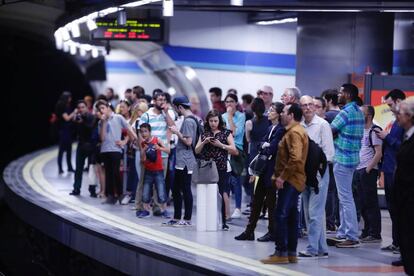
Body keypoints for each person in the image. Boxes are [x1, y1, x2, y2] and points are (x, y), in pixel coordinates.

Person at [261, 103, 308, 265]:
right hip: (294, 179)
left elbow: (295, 158)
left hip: (290, 180)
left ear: (292, 115)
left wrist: (282, 177)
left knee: (280, 214)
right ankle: (291, 252)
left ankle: (280, 252)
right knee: (292, 216)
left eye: (285, 112)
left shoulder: (294, 133)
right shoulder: (295, 131)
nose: (282, 114)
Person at [235, 102, 285, 242]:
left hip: (272, 170)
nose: (269, 112)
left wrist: (266, 146)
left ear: (279, 114)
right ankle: (249, 231)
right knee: (256, 200)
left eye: (272, 110)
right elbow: (260, 146)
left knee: (271, 203)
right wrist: (265, 145)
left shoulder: (280, 129)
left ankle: (272, 231)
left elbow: (272, 148)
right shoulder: (270, 128)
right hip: (263, 169)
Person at [298, 96, 334, 259]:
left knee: (314, 212)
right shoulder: (299, 125)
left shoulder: (322, 125)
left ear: (315, 106)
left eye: (310, 105)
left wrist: (318, 172)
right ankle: (321, 248)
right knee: (309, 212)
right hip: (303, 174)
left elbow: (328, 153)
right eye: (304, 105)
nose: (307, 108)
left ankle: (312, 249)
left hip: (319, 173)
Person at [329, 83, 364, 248]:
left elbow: (329, 129)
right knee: (346, 197)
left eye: (341, 92)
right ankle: (343, 232)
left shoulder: (345, 112)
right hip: (353, 160)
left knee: (345, 198)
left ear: (348, 95)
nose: (339, 94)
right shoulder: (358, 111)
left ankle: (351, 235)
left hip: (342, 159)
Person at [195, 110, 238, 230]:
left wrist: (220, 145)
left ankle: (224, 221)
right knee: (206, 192)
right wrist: (204, 142)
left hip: (221, 166)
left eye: (215, 121)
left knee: (222, 192)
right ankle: (207, 218)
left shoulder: (225, 133)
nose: (213, 123)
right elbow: (197, 150)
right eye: (211, 121)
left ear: (219, 121)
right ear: (207, 122)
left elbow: (234, 150)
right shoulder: (204, 133)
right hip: (207, 166)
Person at [375, 89, 406, 254]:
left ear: (399, 101)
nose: (390, 108)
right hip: (389, 169)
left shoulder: (404, 125)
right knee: (392, 208)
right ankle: (396, 242)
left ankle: (401, 243)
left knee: (398, 209)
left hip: (396, 170)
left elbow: (402, 147)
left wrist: (386, 137)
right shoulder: (396, 122)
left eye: (391, 104)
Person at [163, 96, 198, 226]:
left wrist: (177, 133)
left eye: (175, 108)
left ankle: (186, 219)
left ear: (180, 107)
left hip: (185, 160)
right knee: (178, 188)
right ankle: (178, 218)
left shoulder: (188, 121)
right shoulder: (192, 119)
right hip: (184, 159)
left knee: (182, 189)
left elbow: (188, 141)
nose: (176, 110)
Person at [96, 100, 137, 204]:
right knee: (108, 173)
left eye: (103, 108)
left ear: (108, 107)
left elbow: (128, 127)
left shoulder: (118, 117)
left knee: (116, 172)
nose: (102, 111)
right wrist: (104, 122)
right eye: (99, 109)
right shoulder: (101, 122)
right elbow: (102, 138)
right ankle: (110, 196)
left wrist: (128, 139)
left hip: (116, 149)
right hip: (105, 149)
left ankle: (119, 194)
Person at [353, 105, 383, 243]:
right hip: (359, 169)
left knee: (371, 202)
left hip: (368, 171)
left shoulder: (374, 131)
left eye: (362, 113)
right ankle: (366, 230)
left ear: (369, 116)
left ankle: (375, 233)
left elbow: (378, 153)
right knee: (362, 202)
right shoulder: (360, 130)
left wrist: (368, 169)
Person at [393, 98, 414, 275]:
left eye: (400, 113)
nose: (396, 116)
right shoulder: (406, 136)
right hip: (403, 200)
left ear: (410, 116)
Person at [138, 123, 170, 218]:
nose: (144, 134)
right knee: (146, 192)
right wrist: (143, 150)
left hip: (158, 170)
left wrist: (159, 148)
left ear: (150, 132)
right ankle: (145, 210)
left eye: (145, 131)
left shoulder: (157, 140)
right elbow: (143, 159)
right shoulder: (143, 143)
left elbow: (168, 150)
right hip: (148, 171)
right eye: (142, 132)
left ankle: (164, 210)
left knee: (161, 191)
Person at [222, 94, 246, 219]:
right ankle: (226, 210)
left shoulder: (241, 116)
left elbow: (235, 132)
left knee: (236, 181)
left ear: (236, 103)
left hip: (237, 150)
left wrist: (230, 117)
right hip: (225, 150)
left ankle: (237, 208)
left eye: (231, 101)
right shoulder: (221, 117)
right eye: (227, 102)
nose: (229, 104)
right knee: (226, 181)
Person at [70, 100, 96, 196]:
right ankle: (76, 189)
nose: (81, 109)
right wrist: (74, 119)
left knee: (92, 169)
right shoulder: (77, 118)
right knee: (78, 169)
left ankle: (92, 190)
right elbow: (73, 131)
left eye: (83, 107)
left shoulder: (92, 117)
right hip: (81, 145)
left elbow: (91, 128)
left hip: (91, 146)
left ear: (86, 107)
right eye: (79, 107)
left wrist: (82, 122)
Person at [55, 91, 75, 174]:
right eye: (69, 97)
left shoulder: (66, 105)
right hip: (63, 130)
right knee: (62, 150)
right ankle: (60, 168)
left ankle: (69, 167)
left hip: (67, 130)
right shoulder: (61, 105)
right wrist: (75, 112)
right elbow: (67, 118)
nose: (70, 99)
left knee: (69, 149)